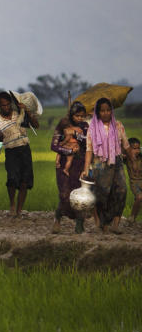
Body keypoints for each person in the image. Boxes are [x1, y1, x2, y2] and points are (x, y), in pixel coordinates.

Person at [82, 97, 130, 233]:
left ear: (112, 111)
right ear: (98, 112)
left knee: (121, 190)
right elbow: (89, 150)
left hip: (117, 162)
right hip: (99, 163)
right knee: (103, 194)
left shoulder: (118, 125)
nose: (106, 113)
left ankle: (116, 222)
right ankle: (104, 223)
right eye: (102, 111)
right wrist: (86, 168)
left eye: (108, 110)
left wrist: (132, 154)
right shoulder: (92, 128)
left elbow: (126, 146)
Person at [0, 92, 39, 217]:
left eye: (8, 104)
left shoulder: (19, 114)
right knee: (12, 179)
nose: (6, 107)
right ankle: (12, 204)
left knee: (24, 181)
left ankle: (19, 210)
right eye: (3, 105)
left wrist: (27, 111)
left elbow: (36, 125)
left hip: (24, 149)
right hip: (11, 152)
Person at [51, 102, 89, 234]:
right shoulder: (63, 124)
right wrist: (68, 152)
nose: (80, 118)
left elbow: (87, 142)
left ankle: (79, 223)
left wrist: (76, 134)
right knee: (64, 194)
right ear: (71, 115)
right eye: (77, 116)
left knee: (78, 195)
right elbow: (54, 146)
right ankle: (57, 217)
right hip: (63, 164)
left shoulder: (85, 126)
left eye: (82, 116)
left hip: (80, 164)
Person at [126, 138, 141, 225]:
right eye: (134, 148)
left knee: (139, 200)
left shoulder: (140, 157)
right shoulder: (127, 158)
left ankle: (133, 218)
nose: (137, 151)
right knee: (139, 197)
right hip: (134, 182)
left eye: (138, 148)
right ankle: (132, 217)